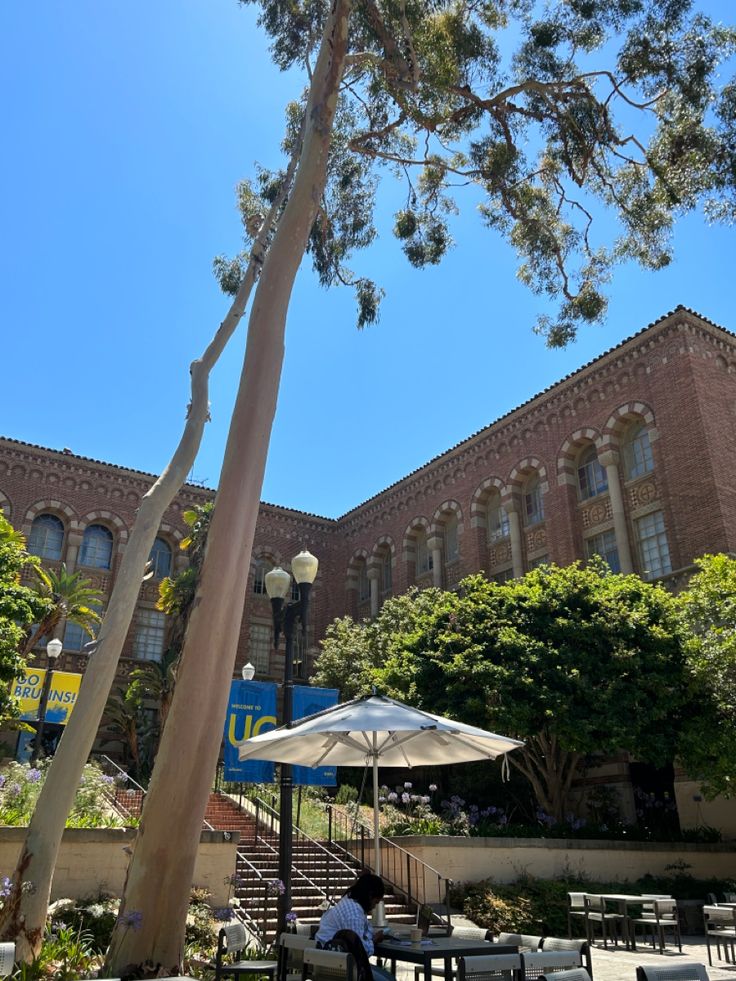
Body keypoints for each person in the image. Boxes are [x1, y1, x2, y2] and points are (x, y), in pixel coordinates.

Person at [315, 873, 395, 981]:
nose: (374, 907)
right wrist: (374, 940)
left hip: (327, 962)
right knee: (388, 979)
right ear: (370, 896)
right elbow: (361, 951)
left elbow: (363, 931)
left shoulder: (349, 902)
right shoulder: (353, 914)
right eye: (375, 902)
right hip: (337, 968)